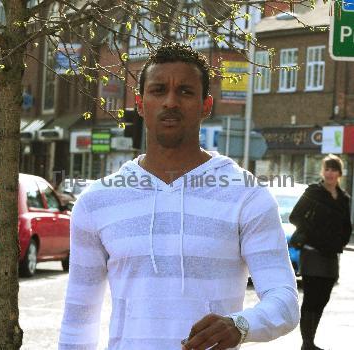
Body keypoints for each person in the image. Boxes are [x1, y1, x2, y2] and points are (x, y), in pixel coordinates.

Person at [58, 43, 299, 350]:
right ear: (140, 103)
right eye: (158, 90)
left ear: (205, 105)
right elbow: (79, 315)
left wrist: (240, 325)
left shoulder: (246, 195)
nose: (170, 101)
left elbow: (285, 301)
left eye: (185, 91)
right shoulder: (97, 201)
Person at [289, 154, 352, 350]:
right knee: (311, 297)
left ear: (340, 173)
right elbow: (295, 216)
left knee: (323, 299)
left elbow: (346, 226)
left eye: (334, 169)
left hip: (331, 255)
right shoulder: (313, 192)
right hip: (312, 252)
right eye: (327, 169)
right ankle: (307, 343)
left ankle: (310, 341)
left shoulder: (343, 198)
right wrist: (312, 233)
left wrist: (341, 242)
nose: (330, 173)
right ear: (322, 172)